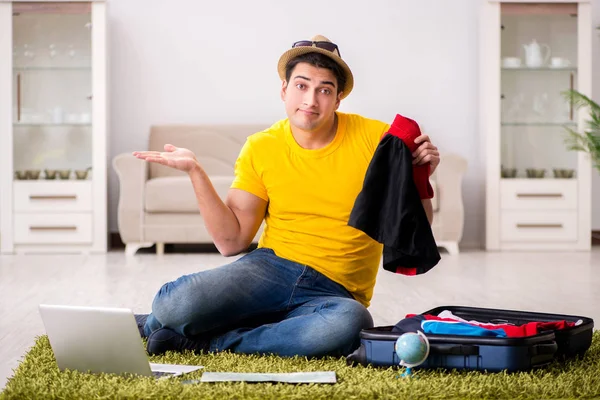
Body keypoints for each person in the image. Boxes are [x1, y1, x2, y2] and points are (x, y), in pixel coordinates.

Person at [132, 34, 441, 358]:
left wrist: (420, 182)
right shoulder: (262, 146)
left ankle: (206, 342)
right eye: (301, 85)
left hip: (336, 292)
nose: (310, 100)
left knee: (350, 325)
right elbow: (232, 241)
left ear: (337, 99)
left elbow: (414, 228)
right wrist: (196, 172)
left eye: (324, 89)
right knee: (175, 304)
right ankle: (157, 323)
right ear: (284, 89)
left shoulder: (377, 140)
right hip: (270, 270)